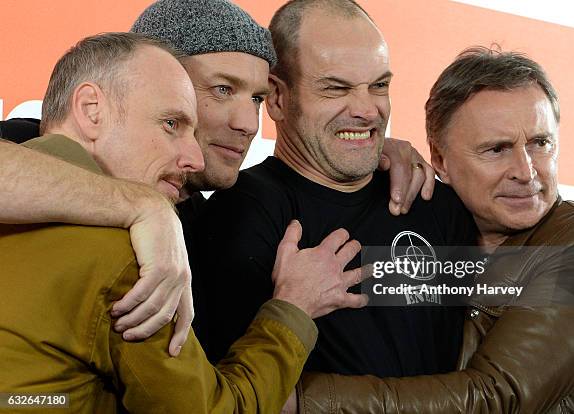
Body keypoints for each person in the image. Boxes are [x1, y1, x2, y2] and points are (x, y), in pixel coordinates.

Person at [0, 0, 434, 356]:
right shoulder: (35, 141)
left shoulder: (215, 217)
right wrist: (143, 207)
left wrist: (375, 148)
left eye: (258, 97)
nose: (248, 122)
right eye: (222, 89)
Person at [0, 32, 374, 413]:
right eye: (171, 124)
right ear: (91, 109)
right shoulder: (136, 257)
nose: (194, 157)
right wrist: (293, 309)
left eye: (257, 99)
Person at [293, 48, 574, 413]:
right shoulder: (436, 226)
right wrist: (377, 152)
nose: (526, 172)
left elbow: (492, 397)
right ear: (440, 160)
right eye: (496, 149)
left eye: (540, 143)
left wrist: (297, 398)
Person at [192, 0, 478, 380]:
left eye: (378, 85)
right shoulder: (237, 216)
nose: (366, 110)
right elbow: (228, 397)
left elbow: (551, 311)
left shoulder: (433, 199)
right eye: (335, 89)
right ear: (277, 97)